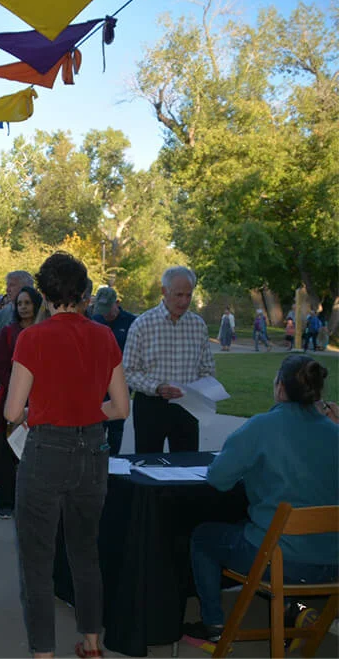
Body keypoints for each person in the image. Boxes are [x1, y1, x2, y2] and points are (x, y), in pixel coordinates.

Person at [4, 252, 130, 659]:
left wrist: (40, 411)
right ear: (83, 293)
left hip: (47, 452)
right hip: (93, 450)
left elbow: (10, 411)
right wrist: (88, 411)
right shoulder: (103, 336)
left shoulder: (33, 337)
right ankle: (92, 642)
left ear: (44, 293)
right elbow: (121, 407)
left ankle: (44, 652)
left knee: (37, 561)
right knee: (85, 552)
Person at [183, 355, 339, 643]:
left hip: (281, 558)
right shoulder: (334, 431)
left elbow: (218, 478)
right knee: (254, 530)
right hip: (331, 559)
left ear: (280, 388)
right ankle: (293, 612)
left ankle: (214, 624)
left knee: (204, 537)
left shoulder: (262, 427)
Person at [123, 266, 215, 453]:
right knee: (147, 465)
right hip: (151, 406)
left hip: (188, 405)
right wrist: (157, 387)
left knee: (186, 466)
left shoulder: (198, 325)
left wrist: (200, 388)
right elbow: (129, 371)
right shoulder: (142, 324)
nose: (184, 301)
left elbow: (208, 369)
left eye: (188, 295)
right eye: (179, 295)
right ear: (164, 291)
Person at [0, 286, 44, 518]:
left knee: (36, 454)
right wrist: (18, 392)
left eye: (27, 303)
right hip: (12, 399)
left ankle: (34, 504)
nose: (23, 307)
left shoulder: (45, 331)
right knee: (7, 453)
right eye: (19, 303)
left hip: (41, 401)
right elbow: (1, 367)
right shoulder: (8, 332)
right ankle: (6, 503)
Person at [91, 287, 137, 456]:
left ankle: (114, 459)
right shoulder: (95, 320)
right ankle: (98, 459)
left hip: (121, 380)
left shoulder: (131, 322)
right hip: (99, 381)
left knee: (117, 425)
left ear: (117, 303)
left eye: (108, 308)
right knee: (98, 422)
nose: (105, 314)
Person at [0, 271, 35, 367]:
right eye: (7, 285)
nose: (7, 289)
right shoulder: (1, 315)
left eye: (12, 285)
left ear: (26, 287)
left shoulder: (43, 313)